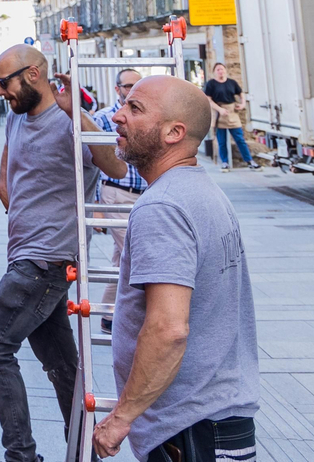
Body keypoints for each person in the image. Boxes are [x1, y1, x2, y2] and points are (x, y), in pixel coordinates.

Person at [0, 45, 129, 462]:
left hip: (46, 261)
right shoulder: (16, 117)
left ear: (33, 75)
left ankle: (21, 456)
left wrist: (75, 112)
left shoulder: (68, 122)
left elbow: (116, 169)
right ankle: (84, 452)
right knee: (64, 367)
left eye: (3, 82)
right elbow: (9, 175)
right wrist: (15, 201)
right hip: (28, 254)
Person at [93, 76, 259, 461]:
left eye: (135, 109)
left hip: (192, 428)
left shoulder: (162, 207)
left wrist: (121, 418)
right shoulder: (201, 191)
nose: (118, 116)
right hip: (214, 420)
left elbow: (168, 328)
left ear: (173, 132)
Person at [92, 69, 146, 330]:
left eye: (139, 84)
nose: (134, 89)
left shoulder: (146, 115)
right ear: (117, 89)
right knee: (137, 255)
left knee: (121, 259)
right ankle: (137, 320)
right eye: (128, 86)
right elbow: (91, 164)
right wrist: (98, 207)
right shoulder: (103, 118)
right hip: (116, 193)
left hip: (143, 196)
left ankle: (109, 316)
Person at [204, 63, 260, 172]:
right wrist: (219, 109)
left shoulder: (231, 83)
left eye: (222, 69)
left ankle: (250, 161)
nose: (221, 71)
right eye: (218, 69)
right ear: (214, 72)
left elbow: (240, 93)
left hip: (232, 113)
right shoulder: (211, 84)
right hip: (220, 114)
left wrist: (243, 104)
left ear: (225, 70)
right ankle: (225, 162)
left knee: (240, 139)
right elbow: (208, 99)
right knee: (222, 141)